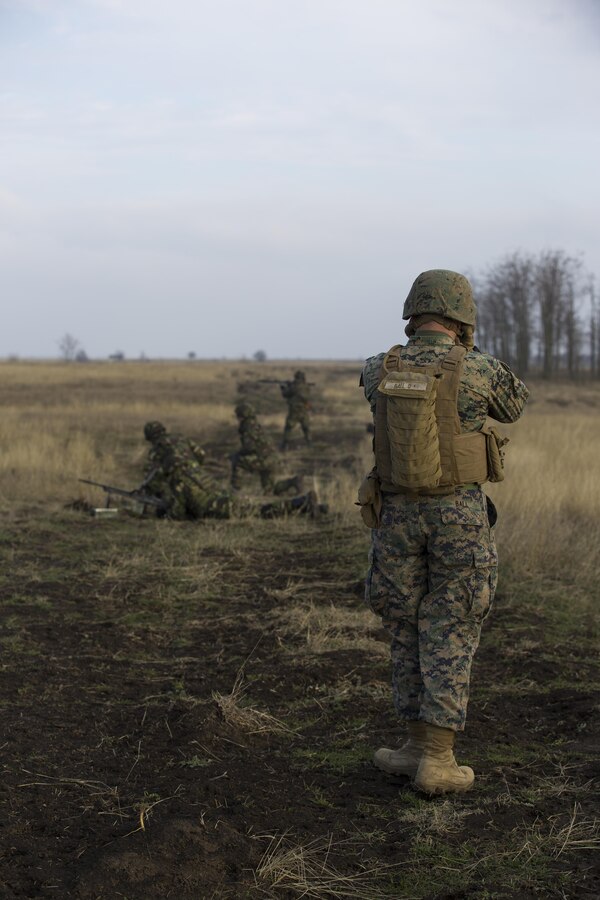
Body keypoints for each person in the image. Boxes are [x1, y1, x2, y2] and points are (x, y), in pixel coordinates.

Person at [359, 270, 529, 796]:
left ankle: (414, 745)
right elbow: (515, 407)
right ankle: (435, 756)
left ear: (413, 313)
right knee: (451, 624)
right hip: (457, 516)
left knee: (405, 624)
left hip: (395, 518)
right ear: (462, 316)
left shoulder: (377, 367)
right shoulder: (481, 368)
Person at [142, 421, 325, 521]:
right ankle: (310, 507)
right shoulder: (181, 441)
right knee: (250, 506)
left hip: (212, 503)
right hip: (211, 484)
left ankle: (301, 502)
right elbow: (201, 455)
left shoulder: (176, 480)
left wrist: (163, 514)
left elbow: (178, 511)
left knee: (255, 512)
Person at [231, 402, 303, 495]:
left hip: (263, 460)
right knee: (270, 490)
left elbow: (249, 447)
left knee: (237, 461)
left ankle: (235, 490)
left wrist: (240, 453)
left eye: (238, 415)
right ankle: (293, 482)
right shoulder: (256, 425)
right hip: (272, 460)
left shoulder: (247, 427)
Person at [280, 371, 312, 450]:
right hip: (304, 410)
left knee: (288, 427)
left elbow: (285, 394)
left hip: (294, 410)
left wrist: (283, 388)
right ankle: (309, 444)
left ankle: (284, 445)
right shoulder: (306, 386)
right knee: (306, 427)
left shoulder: (294, 386)